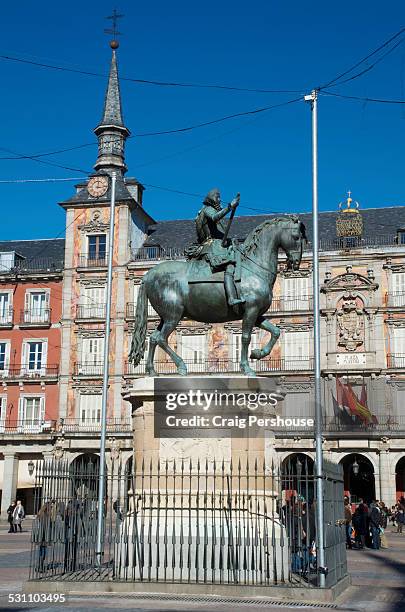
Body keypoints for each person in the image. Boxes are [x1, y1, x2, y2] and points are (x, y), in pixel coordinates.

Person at [185, 188, 245, 308]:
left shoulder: (213, 211)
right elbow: (214, 218)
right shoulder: (207, 210)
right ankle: (231, 298)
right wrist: (230, 207)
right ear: (212, 199)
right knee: (230, 265)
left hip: (219, 244)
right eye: (218, 197)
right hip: (212, 246)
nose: (219, 199)